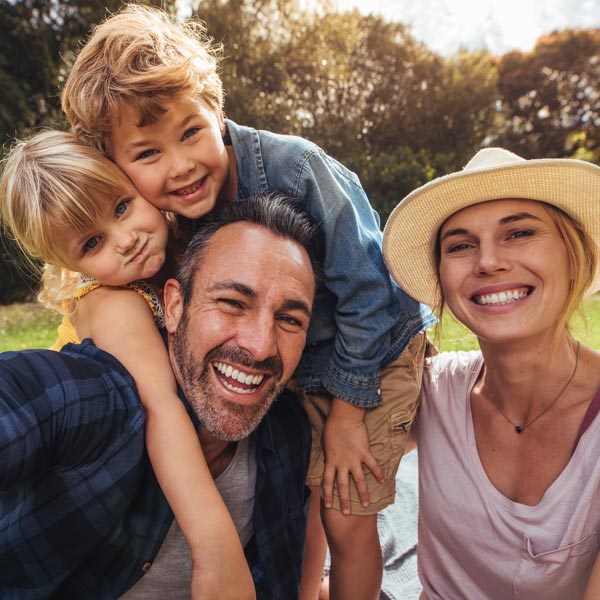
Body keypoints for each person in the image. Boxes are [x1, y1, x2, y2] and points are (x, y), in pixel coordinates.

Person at [60, 7, 436, 598]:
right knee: (302, 492)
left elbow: (373, 290)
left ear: (217, 108)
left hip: (374, 355)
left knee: (345, 504)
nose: (180, 165)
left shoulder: (297, 169)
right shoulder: (161, 218)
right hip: (292, 361)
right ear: (118, 164)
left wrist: (346, 415)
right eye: (147, 154)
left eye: (190, 132)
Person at [0, 194, 317, 599]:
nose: (260, 346)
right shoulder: (97, 401)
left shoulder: (288, 433)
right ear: (173, 304)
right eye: (232, 303)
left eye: (290, 319)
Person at [382, 147, 600, 599]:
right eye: (460, 246)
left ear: (572, 254)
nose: (487, 262)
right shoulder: (432, 389)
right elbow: (331, 467)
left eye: (519, 233)